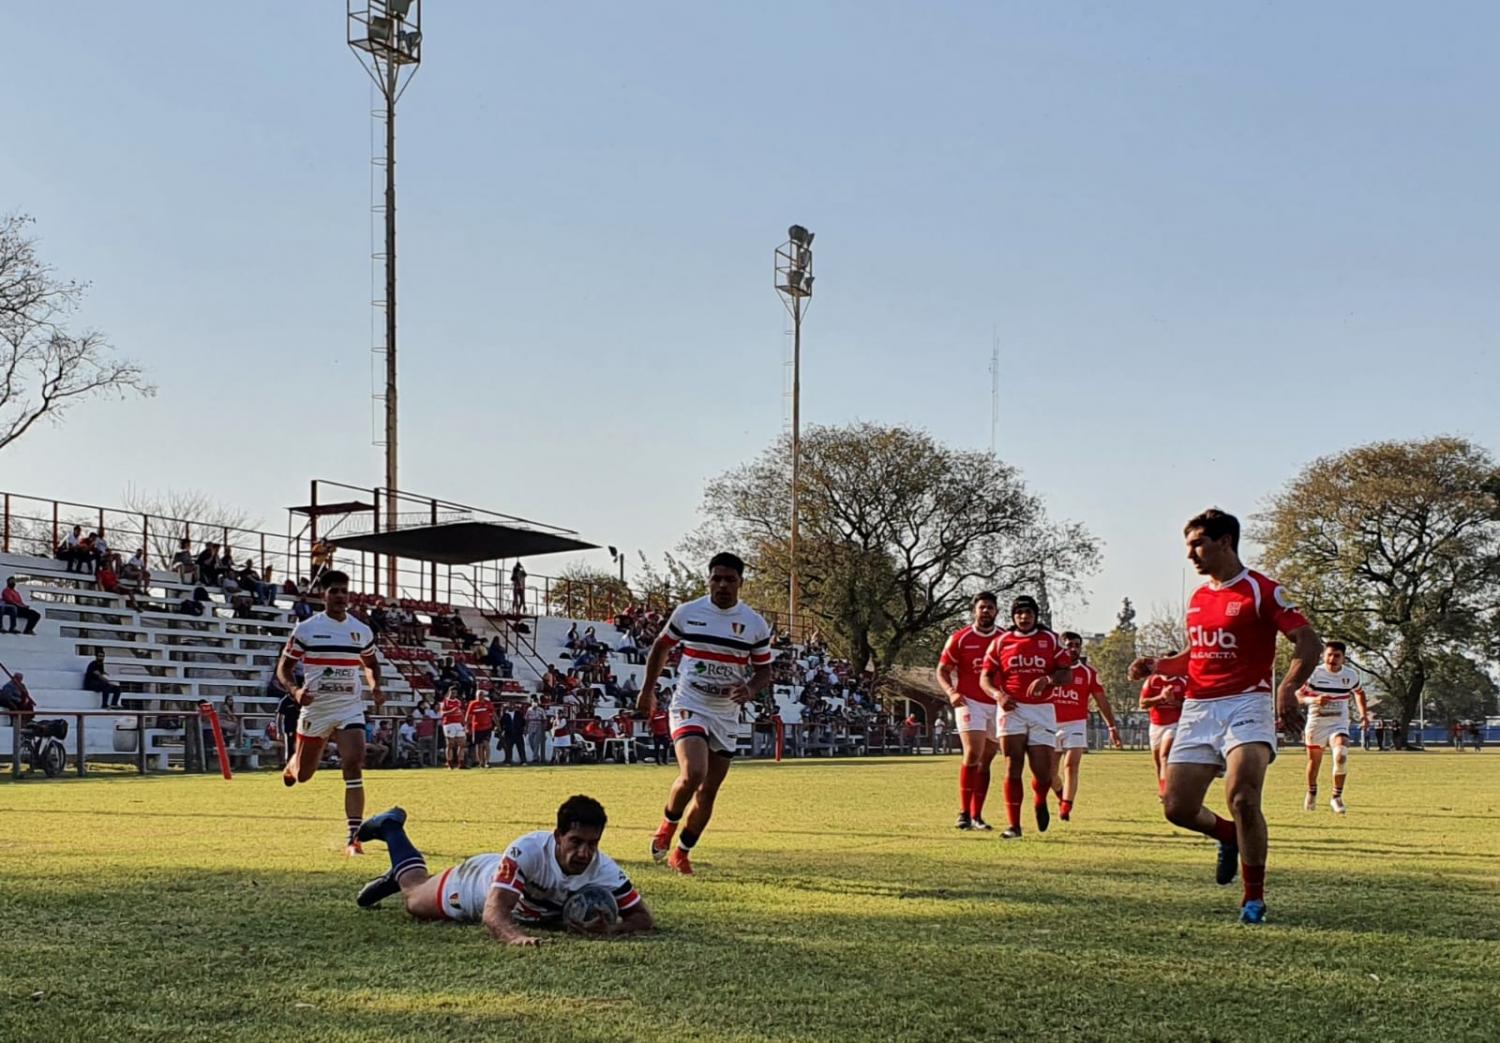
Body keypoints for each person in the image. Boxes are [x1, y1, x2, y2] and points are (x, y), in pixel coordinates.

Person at [1128, 508, 1322, 925]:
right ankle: (1228, 836)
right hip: (1199, 709)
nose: (1190, 554)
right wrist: (1159, 665)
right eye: (1188, 546)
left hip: (1247, 704)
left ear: (1225, 542)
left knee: (1243, 797)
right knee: (1176, 807)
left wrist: (1287, 687)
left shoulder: (1261, 590)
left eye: (1198, 544)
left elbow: (1308, 640)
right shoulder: (1199, 598)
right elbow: (1197, 656)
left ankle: (1253, 899)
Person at [353, 796, 654, 943]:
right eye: (575, 841)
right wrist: (515, 937)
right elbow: (493, 913)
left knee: (417, 891)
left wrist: (613, 928)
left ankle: (400, 871)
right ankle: (392, 826)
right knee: (414, 899)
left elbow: (642, 917)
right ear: (558, 836)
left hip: (508, 880)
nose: (584, 853)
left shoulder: (605, 870)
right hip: (476, 885)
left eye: (593, 844)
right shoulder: (529, 850)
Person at [637, 552, 772, 875]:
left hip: (725, 712)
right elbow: (661, 646)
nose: (722, 585)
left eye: (729, 579)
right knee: (693, 773)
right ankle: (667, 826)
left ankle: (682, 852)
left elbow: (764, 671)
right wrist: (647, 690)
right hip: (690, 702)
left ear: (741, 583)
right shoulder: (688, 612)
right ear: (708, 579)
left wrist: (750, 689)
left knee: (708, 789)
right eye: (716, 578)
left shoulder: (754, 624)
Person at [275, 570, 384, 856]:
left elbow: (372, 664)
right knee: (305, 776)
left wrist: (375, 687)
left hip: (350, 707)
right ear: (323, 594)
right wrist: (296, 692)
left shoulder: (361, 630)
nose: (340, 596)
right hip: (316, 709)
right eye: (334, 590)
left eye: (344, 591)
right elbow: (283, 669)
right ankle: (293, 763)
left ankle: (353, 838)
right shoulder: (307, 630)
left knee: (354, 764)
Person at [978, 595, 1075, 840]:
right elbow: (985, 678)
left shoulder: (1050, 640)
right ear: (1012, 616)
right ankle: (1014, 826)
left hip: (1042, 710)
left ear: (1035, 615)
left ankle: (1040, 799)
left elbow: (1067, 674)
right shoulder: (1001, 642)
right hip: (1012, 710)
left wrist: (1048, 679)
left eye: (1028, 612)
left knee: (1042, 773)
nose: (1024, 617)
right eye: (1019, 613)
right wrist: (998, 695)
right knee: (1013, 766)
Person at [936, 592, 1003, 830]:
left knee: (987, 760)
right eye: (982, 607)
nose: (986, 611)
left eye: (990, 607)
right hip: (969, 701)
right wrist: (951, 692)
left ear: (997, 611)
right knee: (974, 752)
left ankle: (977, 815)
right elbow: (942, 670)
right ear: (974, 611)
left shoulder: (1005, 639)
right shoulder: (959, 638)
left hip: (997, 704)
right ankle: (963, 813)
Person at [1049, 631, 1122, 821]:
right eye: (1068, 645)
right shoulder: (1049, 669)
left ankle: (1066, 807)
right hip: (1049, 723)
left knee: (1071, 764)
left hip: (1075, 723)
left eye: (1076, 645)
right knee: (1048, 772)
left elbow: (1101, 701)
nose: (1072, 649)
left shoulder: (1088, 673)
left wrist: (1112, 728)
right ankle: (1061, 795)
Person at [1297, 641, 1370, 814]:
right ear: (1324, 655)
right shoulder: (1314, 674)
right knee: (1314, 762)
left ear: (1343, 658)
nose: (1332, 659)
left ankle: (1336, 797)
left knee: (1341, 755)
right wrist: (1314, 700)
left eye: (1337, 656)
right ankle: (1312, 791)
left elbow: (1359, 693)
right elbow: (1298, 695)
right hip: (1317, 723)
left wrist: (1363, 715)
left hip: (1338, 723)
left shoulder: (1350, 675)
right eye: (1329, 655)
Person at [1139, 669, 1187, 800]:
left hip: (1175, 724)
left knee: (1165, 755)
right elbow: (1142, 703)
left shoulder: (1183, 682)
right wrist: (1161, 697)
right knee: (1158, 762)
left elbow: (1190, 704)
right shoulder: (1152, 680)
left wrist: (1173, 702)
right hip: (1156, 724)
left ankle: (1167, 792)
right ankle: (1163, 789)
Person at [466, 690, 495, 768]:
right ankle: (480, 762)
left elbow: (493, 714)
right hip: (477, 727)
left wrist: (497, 725)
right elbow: (468, 716)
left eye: (482, 695)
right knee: (479, 745)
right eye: (479, 695)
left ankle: (487, 762)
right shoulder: (473, 704)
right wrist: (466, 726)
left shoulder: (488, 703)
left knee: (486, 744)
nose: (480, 697)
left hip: (487, 727)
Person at [439, 689, 466, 769]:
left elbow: (461, 712)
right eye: (452, 692)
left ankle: (461, 763)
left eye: (455, 693)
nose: (453, 694)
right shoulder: (444, 701)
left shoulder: (458, 702)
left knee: (462, 743)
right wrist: (451, 711)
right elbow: (442, 713)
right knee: (450, 744)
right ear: (449, 692)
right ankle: (449, 763)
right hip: (449, 724)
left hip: (458, 724)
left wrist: (464, 723)